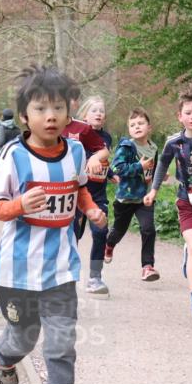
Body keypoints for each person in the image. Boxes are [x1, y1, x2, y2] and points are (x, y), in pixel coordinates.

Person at [0, 65, 107, 384]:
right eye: (40, 109)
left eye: (58, 108)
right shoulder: (13, 156)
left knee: (61, 349)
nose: (50, 116)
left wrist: (91, 211)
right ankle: (3, 356)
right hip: (18, 272)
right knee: (23, 337)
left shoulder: (75, 150)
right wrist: (20, 205)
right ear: (25, 116)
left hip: (60, 270)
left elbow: (79, 188)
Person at [144, 80, 192, 323]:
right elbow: (162, 165)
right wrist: (153, 190)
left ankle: (190, 253)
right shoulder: (173, 142)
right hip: (186, 200)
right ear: (180, 116)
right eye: (188, 113)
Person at [105, 108, 159, 281]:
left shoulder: (153, 148)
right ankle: (109, 244)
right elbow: (116, 168)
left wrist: (158, 175)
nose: (137, 127)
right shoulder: (126, 146)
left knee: (148, 229)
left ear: (149, 127)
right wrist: (139, 167)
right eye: (133, 125)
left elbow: (153, 168)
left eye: (141, 123)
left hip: (145, 197)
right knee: (119, 230)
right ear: (129, 130)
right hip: (126, 198)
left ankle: (147, 267)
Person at [73, 96, 113, 295]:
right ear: (84, 116)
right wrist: (90, 160)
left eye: (102, 110)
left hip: (98, 195)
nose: (99, 114)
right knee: (73, 236)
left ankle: (95, 277)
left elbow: (104, 163)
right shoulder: (76, 137)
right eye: (94, 110)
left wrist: (112, 174)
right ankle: (66, 276)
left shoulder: (107, 139)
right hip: (76, 194)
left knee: (100, 232)